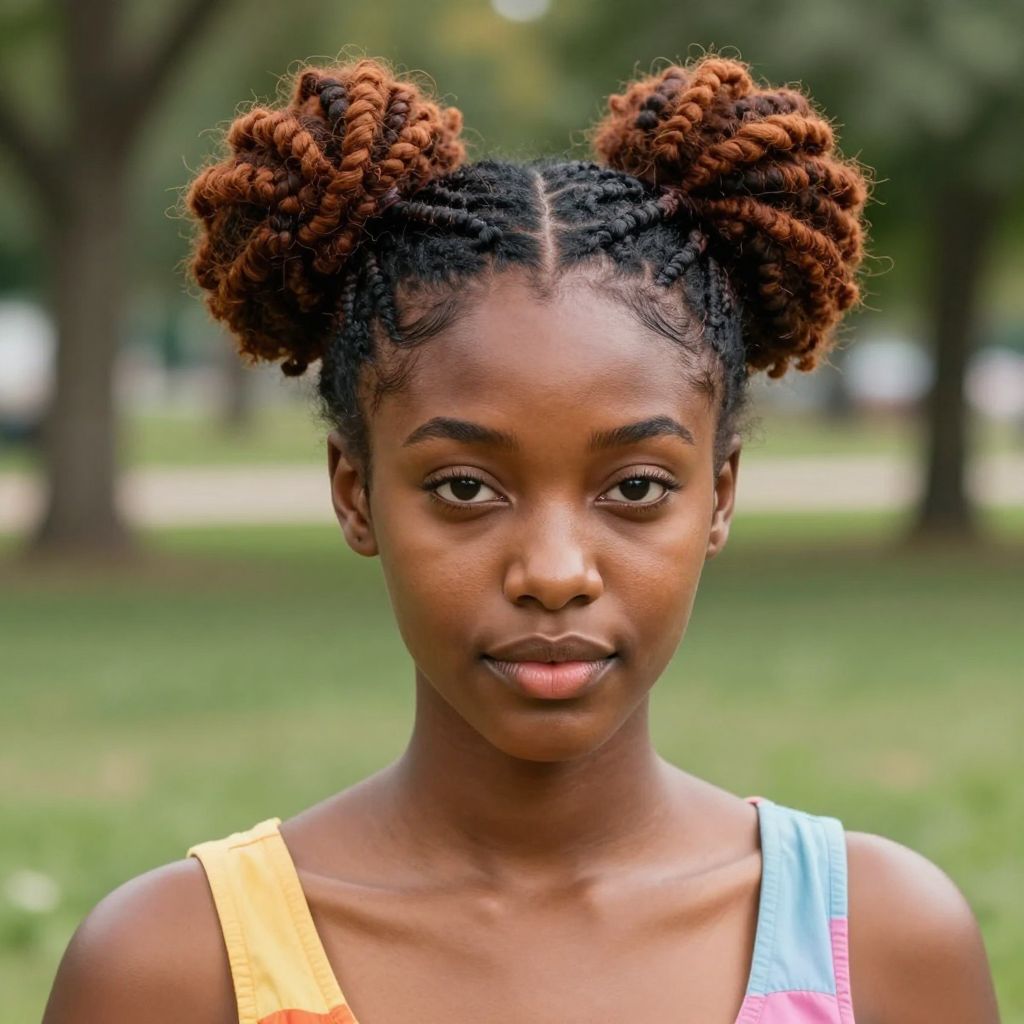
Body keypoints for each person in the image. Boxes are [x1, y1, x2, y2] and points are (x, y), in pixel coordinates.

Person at [42, 54, 1001, 1024]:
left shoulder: (880, 945)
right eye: (464, 486)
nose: (553, 572)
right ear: (355, 491)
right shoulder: (173, 965)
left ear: (718, 495)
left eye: (634, 486)